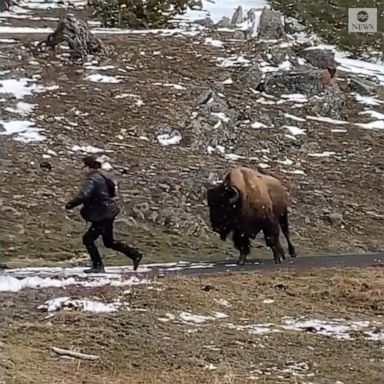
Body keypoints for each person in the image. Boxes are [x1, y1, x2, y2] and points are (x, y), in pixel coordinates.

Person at [65, 156, 142, 273]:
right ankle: (134, 254)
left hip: (102, 214)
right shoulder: (101, 176)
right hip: (108, 211)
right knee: (109, 242)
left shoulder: (92, 180)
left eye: (83, 166)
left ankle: (98, 266)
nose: (81, 170)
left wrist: (70, 204)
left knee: (88, 239)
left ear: (87, 167)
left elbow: (84, 195)